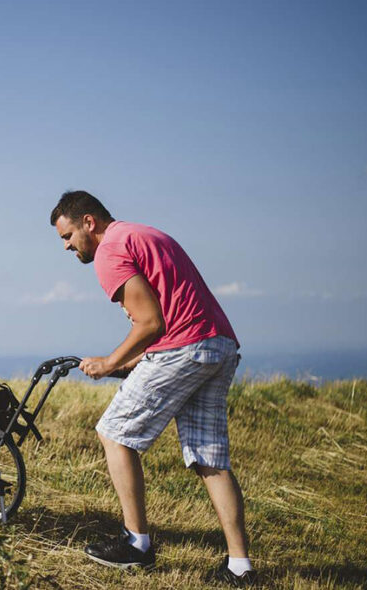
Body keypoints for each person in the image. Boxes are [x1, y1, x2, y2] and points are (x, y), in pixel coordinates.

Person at [50, 190, 256, 586]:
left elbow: (151, 324)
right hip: (218, 345)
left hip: (184, 348)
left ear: (89, 222)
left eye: (68, 236)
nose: (66, 246)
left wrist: (109, 362)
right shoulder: (147, 235)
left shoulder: (110, 250)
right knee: (209, 458)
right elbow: (171, 317)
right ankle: (240, 566)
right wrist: (127, 366)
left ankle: (137, 544)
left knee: (114, 433)